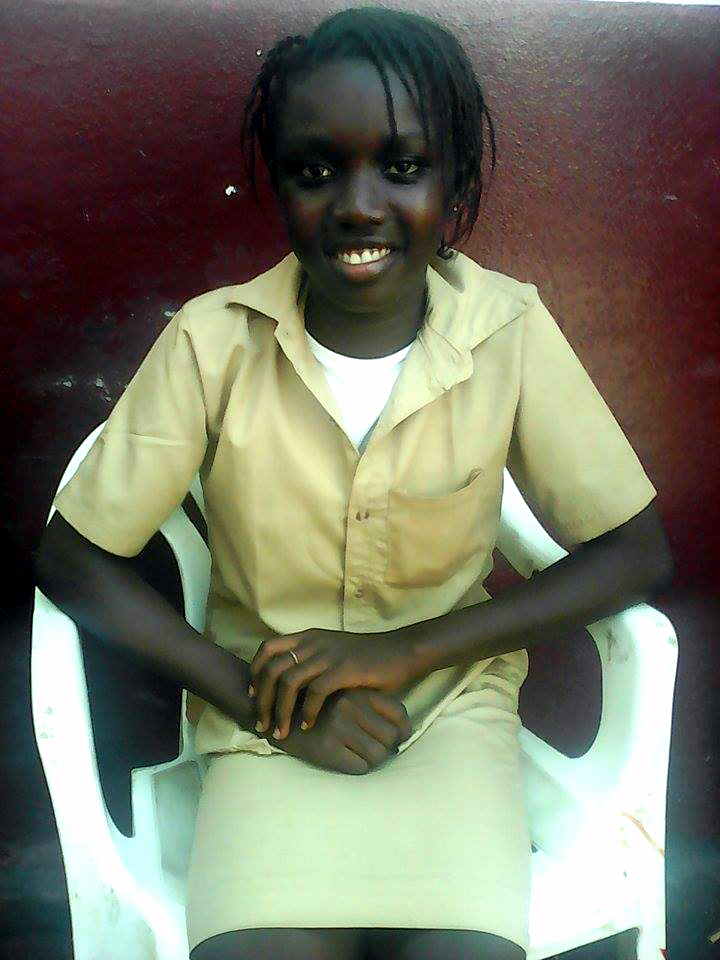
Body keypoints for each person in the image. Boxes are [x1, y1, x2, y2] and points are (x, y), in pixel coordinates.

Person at [33, 6, 675, 960]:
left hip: (450, 715)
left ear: (455, 179)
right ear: (281, 183)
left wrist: (407, 650)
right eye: (316, 170)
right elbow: (73, 558)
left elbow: (634, 552)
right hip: (267, 724)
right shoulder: (214, 341)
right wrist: (253, 700)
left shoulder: (507, 331)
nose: (359, 206)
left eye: (404, 167)